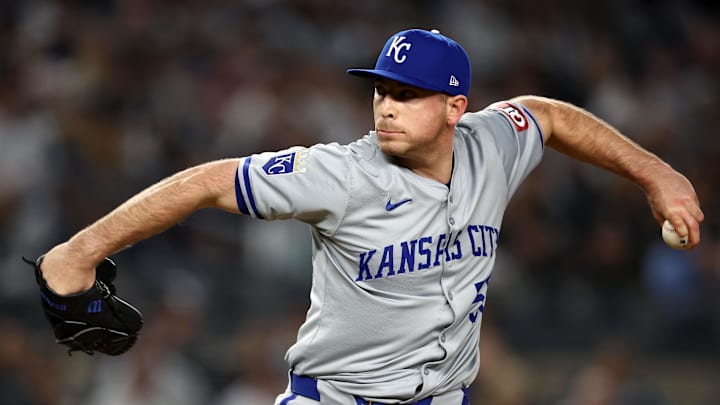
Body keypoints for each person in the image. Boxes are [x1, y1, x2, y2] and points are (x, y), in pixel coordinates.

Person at [36, 28, 703, 405]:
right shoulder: (342, 172)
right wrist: (79, 251)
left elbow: (551, 116)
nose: (384, 104)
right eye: (381, 88)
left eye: (407, 95)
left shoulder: (494, 143)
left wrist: (656, 170)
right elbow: (210, 181)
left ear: (454, 108)